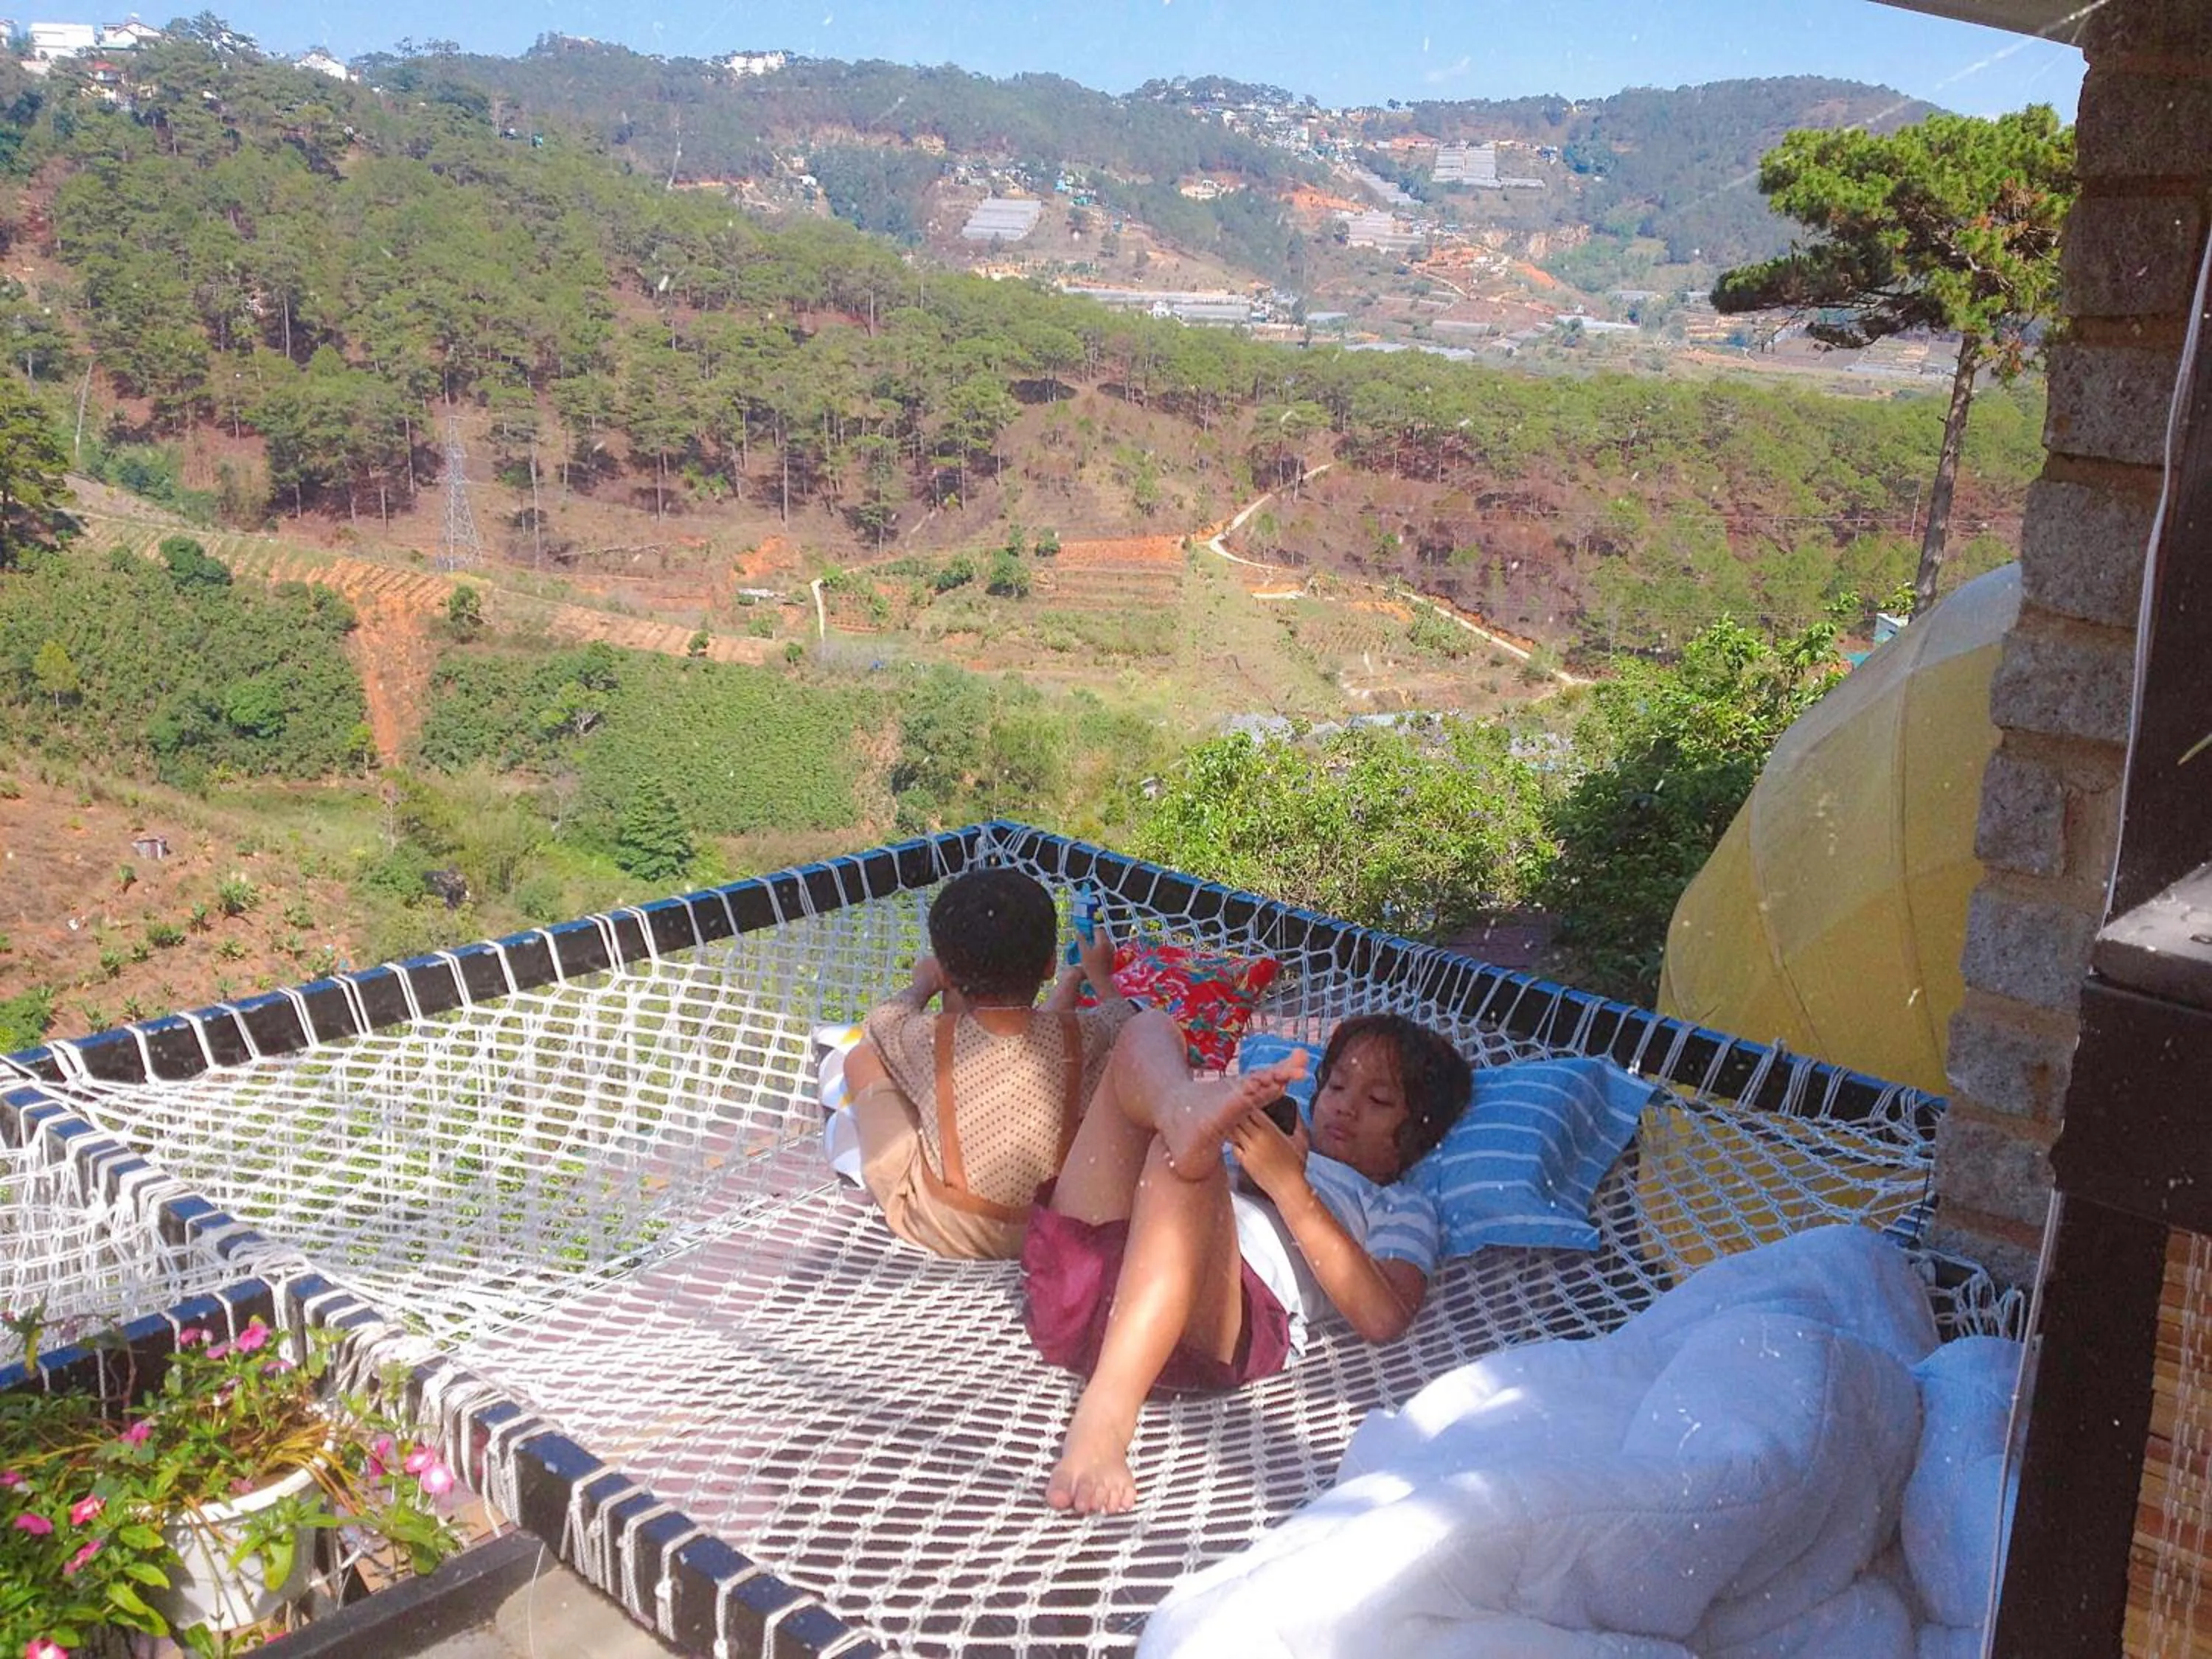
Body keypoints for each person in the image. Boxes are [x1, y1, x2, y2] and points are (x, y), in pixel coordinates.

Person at [1023, 1012, 1472, 1515]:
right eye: (1339, 1085)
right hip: (1097, 1280)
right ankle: (1179, 1107)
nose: (1346, 1107)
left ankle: (1106, 1417)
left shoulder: (1395, 1204)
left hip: (1204, 1321)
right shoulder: (1277, 1142)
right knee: (1147, 1031)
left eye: (1378, 1101)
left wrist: (1288, 1187)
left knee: (1182, 1160)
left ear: (1419, 1134)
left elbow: (1384, 1317)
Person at [842, 866, 1132, 1260]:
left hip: (945, 1228)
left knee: (862, 1058)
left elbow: (880, 1023)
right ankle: (1062, 988)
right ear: (1048, 965)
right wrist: (1098, 976)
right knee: (1087, 1062)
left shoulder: (926, 1037)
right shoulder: (1081, 1034)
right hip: (1050, 1222)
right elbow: (1125, 1021)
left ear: (946, 971)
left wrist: (924, 984)